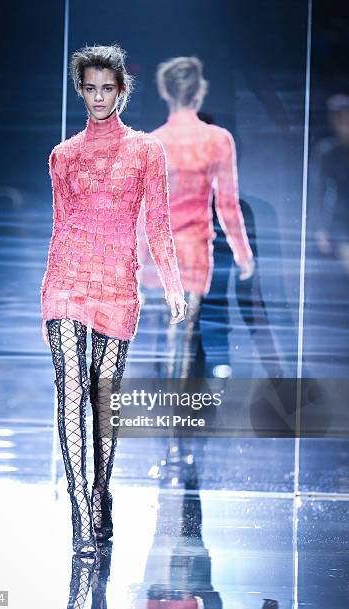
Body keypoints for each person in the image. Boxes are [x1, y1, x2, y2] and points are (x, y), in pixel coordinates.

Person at [39, 44, 186, 557]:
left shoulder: (147, 151)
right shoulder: (63, 155)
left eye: (108, 88)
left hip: (118, 286)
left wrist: (171, 282)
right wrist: (46, 300)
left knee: (102, 400)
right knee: (71, 390)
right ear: (80, 91)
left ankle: (101, 493)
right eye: (90, 88)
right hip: (66, 281)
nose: (99, 97)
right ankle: (82, 512)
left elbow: (158, 222)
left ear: (122, 90)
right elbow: (60, 228)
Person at [138, 56, 255, 380]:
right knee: (185, 331)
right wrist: (242, 253)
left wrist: (136, 259)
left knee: (164, 333)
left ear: (165, 91)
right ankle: (177, 409)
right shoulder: (218, 140)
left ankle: (168, 404)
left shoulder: (153, 142)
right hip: (193, 250)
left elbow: (145, 209)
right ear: (199, 91)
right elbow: (227, 205)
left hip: (158, 252)